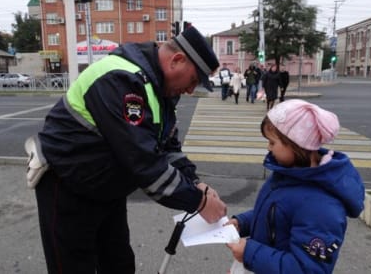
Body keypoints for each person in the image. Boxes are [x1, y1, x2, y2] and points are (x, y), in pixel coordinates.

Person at [27, 26, 227, 274]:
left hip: (107, 188)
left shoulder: (157, 86)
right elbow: (145, 164)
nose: (189, 90)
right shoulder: (121, 80)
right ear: (177, 60)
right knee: (74, 266)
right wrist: (199, 201)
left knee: (119, 263)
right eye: (193, 81)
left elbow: (167, 148)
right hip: (68, 185)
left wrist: (196, 182)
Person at [226, 99, 365, 274]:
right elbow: (275, 214)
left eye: (272, 142)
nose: (268, 148)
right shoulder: (289, 174)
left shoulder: (321, 206)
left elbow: (307, 269)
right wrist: (243, 222)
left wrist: (249, 253)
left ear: (296, 144)